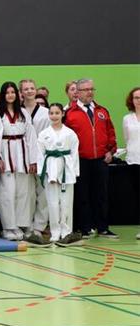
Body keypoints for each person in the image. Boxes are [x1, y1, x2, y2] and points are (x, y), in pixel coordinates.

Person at [64, 78, 118, 239]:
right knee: (82, 195)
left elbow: (111, 133)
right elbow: (66, 138)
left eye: (92, 89)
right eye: (86, 89)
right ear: (77, 93)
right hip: (80, 160)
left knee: (101, 194)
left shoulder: (102, 111)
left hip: (101, 159)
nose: (89, 92)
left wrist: (111, 151)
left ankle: (103, 227)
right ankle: (85, 228)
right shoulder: (70, 114)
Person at [0, 81, 38, 241]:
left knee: (24, 192)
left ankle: (23, 224)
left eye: (13, 92)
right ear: (3, 95)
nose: (10, 95)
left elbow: (31, 137)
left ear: (17, 94)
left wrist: (33, 160)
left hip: (23, 154)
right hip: (5, 153)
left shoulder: (23, 113)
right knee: (7, 193)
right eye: (7, 92)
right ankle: (9, 227)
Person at [35, 103, 81, 247]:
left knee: (66, 202)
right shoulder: (44, 134)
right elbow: (40, 154)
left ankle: (66, 232)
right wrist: (45, 173)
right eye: (51, 113)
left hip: (66, 169)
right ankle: (55, 232)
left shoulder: (70, 133)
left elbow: (74, 153)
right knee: (53, 203)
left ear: (62, 114)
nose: (54, 116)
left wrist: (73, 172)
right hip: (50, 169)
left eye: (57, 113)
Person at [123, 87, 140, 239]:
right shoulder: (127, 119)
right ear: (132, 100)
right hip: (133, 161)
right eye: (136, 97)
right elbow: (127, 139)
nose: (138, 100)